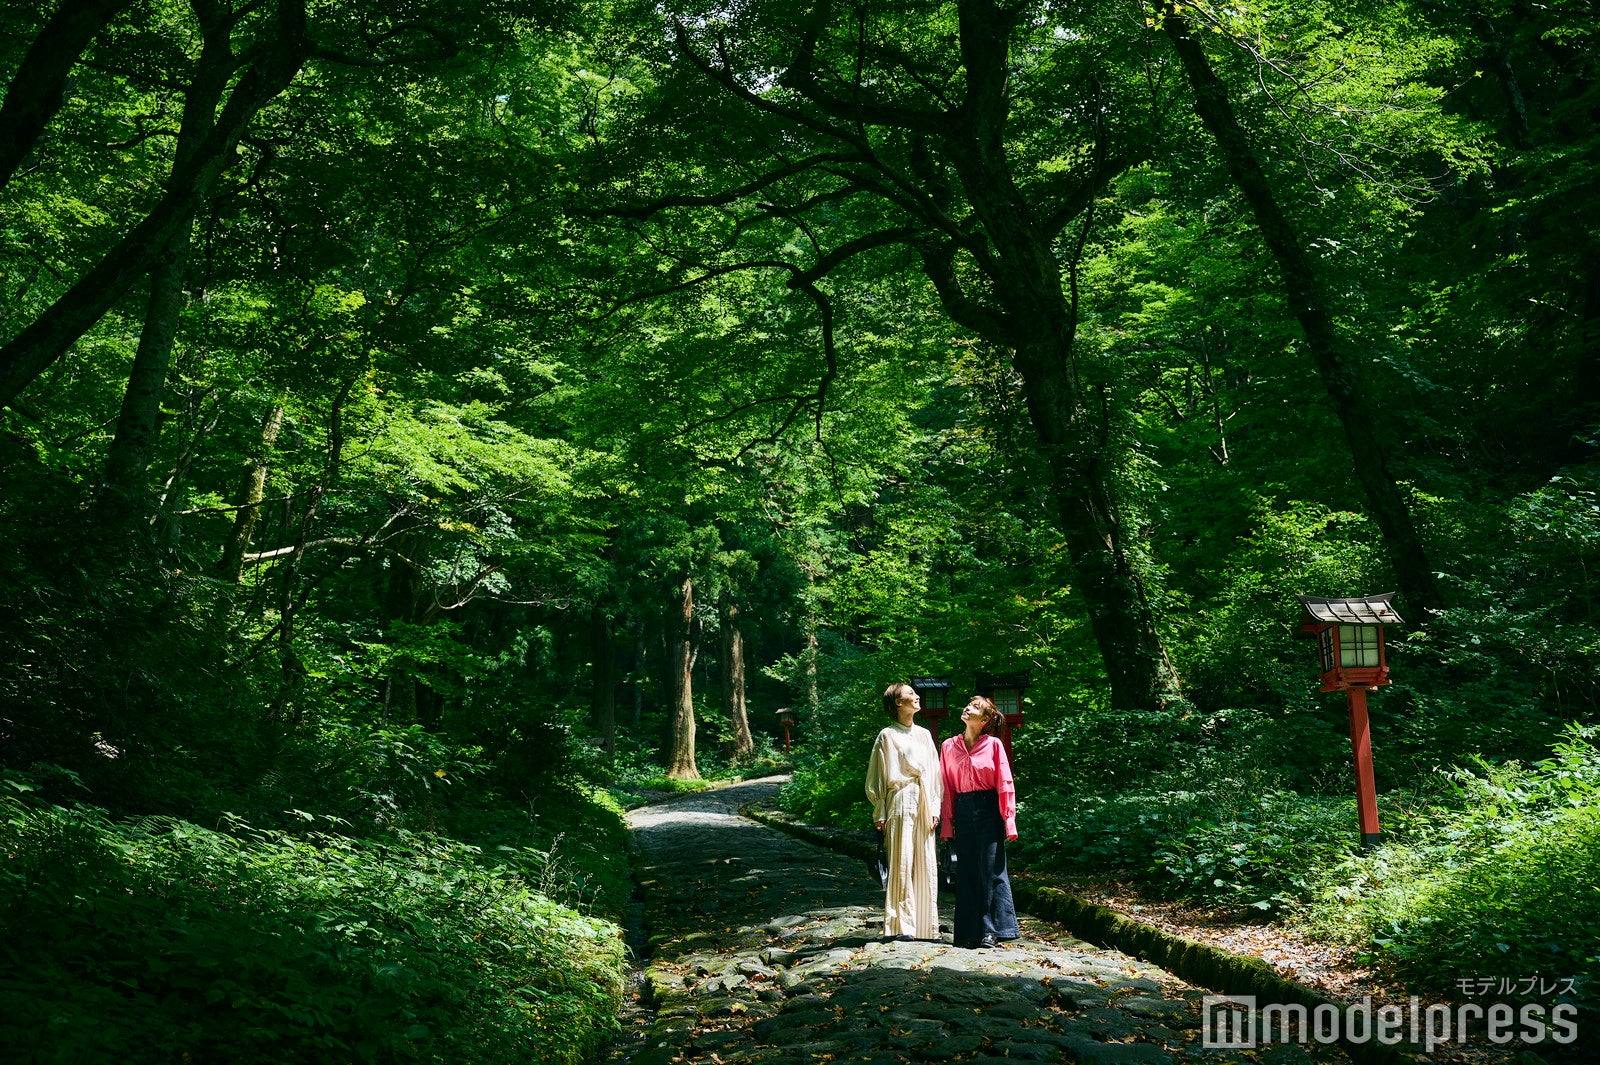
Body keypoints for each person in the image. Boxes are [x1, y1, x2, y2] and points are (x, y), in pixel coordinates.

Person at [939, 695, 1020, 949]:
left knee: (991, 869)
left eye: (975, 707)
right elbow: (946, 789)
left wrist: (1009, 820)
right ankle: (968, 932)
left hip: (988, 808)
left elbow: (1005, 782)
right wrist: (947, 824)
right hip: (962, 808)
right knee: (966, 870)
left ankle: (992, 931)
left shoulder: (994, 745)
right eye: (969, 704)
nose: (967, 707)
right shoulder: (948, 746)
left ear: (984, 720)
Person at [864, 682, 943, 940]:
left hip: (924, 798)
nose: (916, 696)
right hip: (898, 798)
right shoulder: (887, 735)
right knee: (901, 860)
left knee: (926, 860)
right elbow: (877, 775)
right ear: (898, 703)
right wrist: (880, 810)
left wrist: (935, 805)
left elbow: (935, 772)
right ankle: (899, 927)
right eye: (910, 693)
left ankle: (926, 927)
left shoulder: (924, 735)